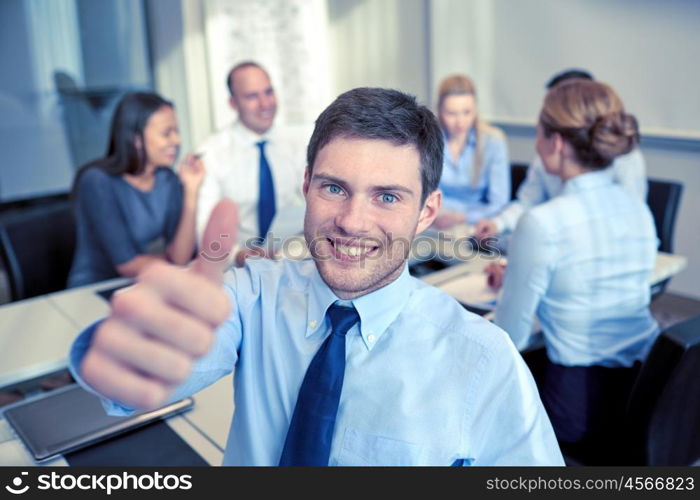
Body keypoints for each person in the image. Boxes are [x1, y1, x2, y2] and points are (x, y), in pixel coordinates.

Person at [69, 88, 563, 466]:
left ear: (427, 211)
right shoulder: (251, 296)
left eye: (387, 197)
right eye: (334, 187)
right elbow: (158, 359)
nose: (352, 221)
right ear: (306, 185)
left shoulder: (484, 360)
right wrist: (123, 353)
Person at [487, 79, 659, 462]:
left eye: (538, 131)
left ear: (558, 143)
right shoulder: (638, 209)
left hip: (578, 406)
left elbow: (508, 338)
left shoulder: (542, 223)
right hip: (645, 390)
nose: (536, 142)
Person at [475, 69, 647, 240]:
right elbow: (528, 202)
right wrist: (499, 223)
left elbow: (629, 216)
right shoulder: (545, 159)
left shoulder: (624, 158)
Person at [68, 92, 204, 287]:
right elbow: (128, 265)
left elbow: (181, 256)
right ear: (135, 138)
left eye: (176, 131)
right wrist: (175, 263)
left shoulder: (166, 178)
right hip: (93, 290)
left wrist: (192, 191)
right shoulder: (97, 182)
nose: (178, 140)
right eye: (167, 133)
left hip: (142, 284)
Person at [196, 61, 307, 266]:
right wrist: (240, 255)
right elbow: (203, 230)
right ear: (233, 103)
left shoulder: (296, 146)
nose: (265, 104)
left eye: (268, 92)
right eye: (252, 96)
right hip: (235, 268)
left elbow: (315, 203)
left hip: (288, 260)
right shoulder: (211, 154)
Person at [432, 74, 510, 229]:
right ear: (440, 111)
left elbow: (499, 202)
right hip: (435, 221)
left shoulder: (493, 141)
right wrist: (437, 215)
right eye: (451, 113)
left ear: (476, 109)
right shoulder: (430, 138)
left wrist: (462, 218)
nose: (460, 121)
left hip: (475, 223)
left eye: (467, 112)